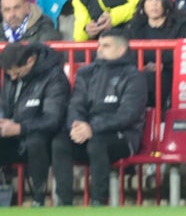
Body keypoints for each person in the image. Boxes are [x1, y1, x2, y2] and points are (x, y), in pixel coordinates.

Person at [0, 42, 68, 208]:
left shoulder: (54, 78)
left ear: (30, 60)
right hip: (14, 137)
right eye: (10, 74)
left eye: (17, 73)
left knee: (36, 140)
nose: (13, 78)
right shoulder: (11, 75)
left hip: (43, 141)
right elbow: (4, 106)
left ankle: (38, 199)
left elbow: (53, 119)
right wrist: (0, 120)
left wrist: (20, 128)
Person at [50, 32, 146, 207]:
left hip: (123, 137)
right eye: (99, 45)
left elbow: (128, 115)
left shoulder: (134, 76)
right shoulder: (86, 73)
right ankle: (64, 203)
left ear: (121, 49)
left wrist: (92, 128)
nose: (99, 49)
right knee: (60, 142)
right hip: (88, 132)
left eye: (106, 46)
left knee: (97, 143)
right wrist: (76, 124)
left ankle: (98, 202)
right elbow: (75, 104)